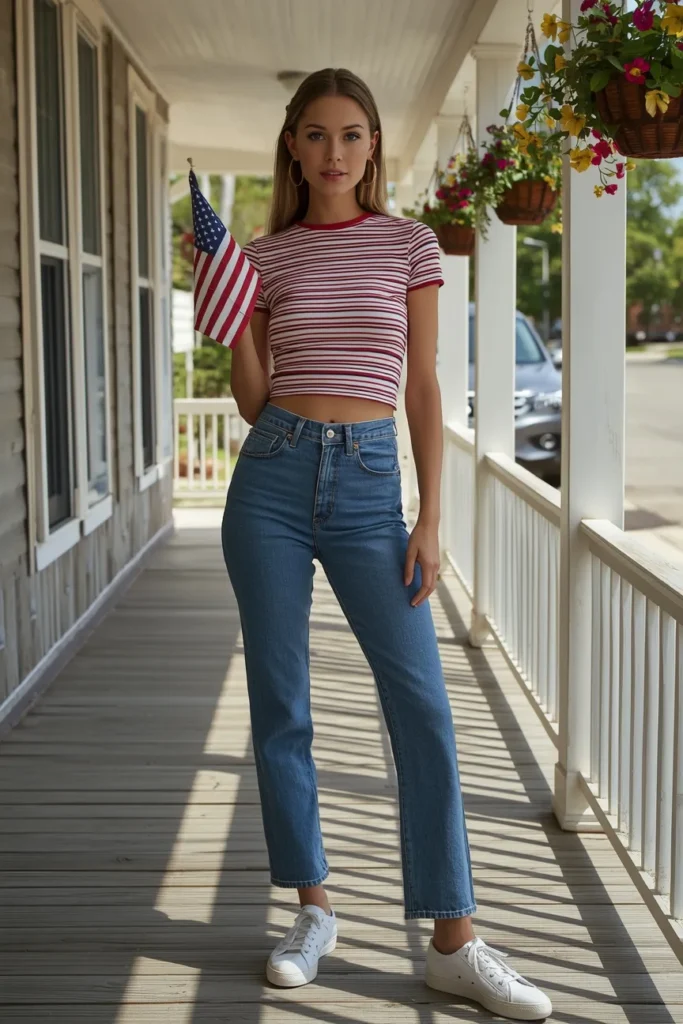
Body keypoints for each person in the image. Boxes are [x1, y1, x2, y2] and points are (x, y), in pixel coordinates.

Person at [223, 67, 553, 1021]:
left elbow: (422, 384)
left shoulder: (409, 243)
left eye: (352, 134)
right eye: (316, 134)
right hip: (272, 478)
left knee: (423, 709)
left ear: (371, 146)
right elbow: (252, 400)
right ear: (293, 147)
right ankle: (312, 908)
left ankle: (453, 939)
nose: (334, 152)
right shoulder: (263, 257)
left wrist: (429, 516)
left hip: (371, 488)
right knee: (281, 705)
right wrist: (236, 321)